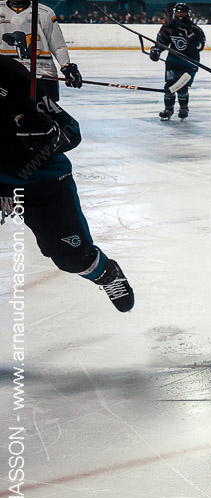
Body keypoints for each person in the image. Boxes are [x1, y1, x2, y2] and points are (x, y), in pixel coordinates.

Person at [0, 55, 133, 311]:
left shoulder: (9, 77)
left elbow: (71, 131)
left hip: (41, 181)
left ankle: (106, 273)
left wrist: (48, 136)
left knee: (73, 258)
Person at [0, 0, 82, 102]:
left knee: (46, 113)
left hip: (42, 72)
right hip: (8, 73)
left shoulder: (44, 12)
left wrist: (66, 66)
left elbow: (57, 44)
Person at [149, 2, 206, 120]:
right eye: (178, 12)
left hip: (190, 63)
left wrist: (192, 42)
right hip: (173, 62)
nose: (180, 15)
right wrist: (156, 51)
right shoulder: (168, 27)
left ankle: (184, 108)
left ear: (188, 14)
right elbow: (161, 43)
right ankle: (168, 109)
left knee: (182, 87)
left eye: (183, 13)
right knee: (169, 86)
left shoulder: (195, 30)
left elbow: (200, 46)